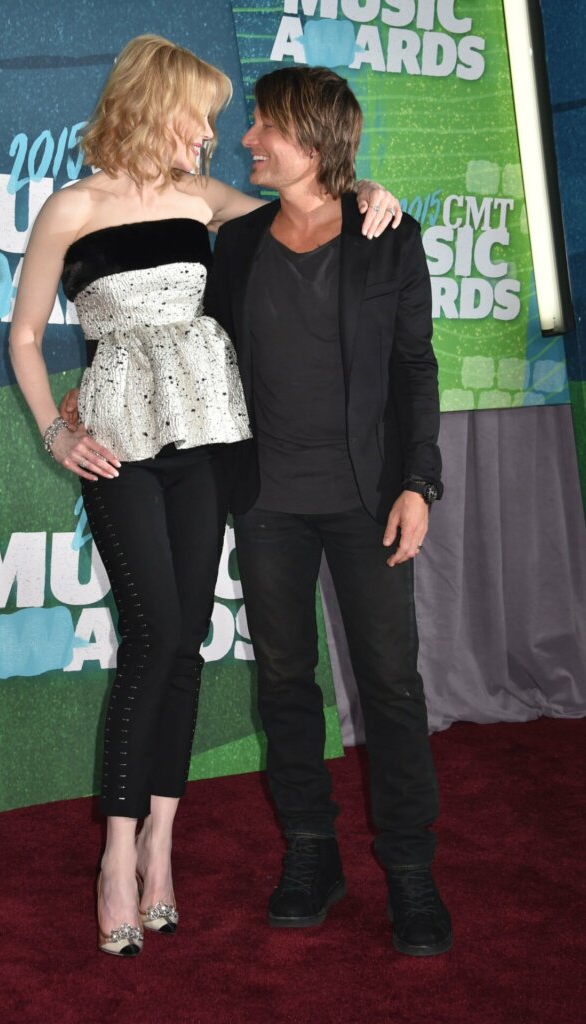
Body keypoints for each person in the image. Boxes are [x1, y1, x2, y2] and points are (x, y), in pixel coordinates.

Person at [9, 36, 401, 958]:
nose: (215, 136)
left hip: (207, 440)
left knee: (183, 643)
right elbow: (24, 336)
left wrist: (364, 191)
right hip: (117, 445)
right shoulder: (73, 207)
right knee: (151, 636)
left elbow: (302, 203)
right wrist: (56, 431)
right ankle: (114, 858)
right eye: (204, 117)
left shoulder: (204, 199)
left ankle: (160, 849)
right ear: (157, 105)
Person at [204, 66, 452, 957]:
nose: (246, 139)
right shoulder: (235, 242)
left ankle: (410, 868)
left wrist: (418, 484)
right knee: (283, 683)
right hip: (266, 500)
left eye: (262, 125)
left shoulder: (388, 235)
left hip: (367, 501)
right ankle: (311, 850)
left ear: (309, 138)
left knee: (390, 685)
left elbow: (413, 367)